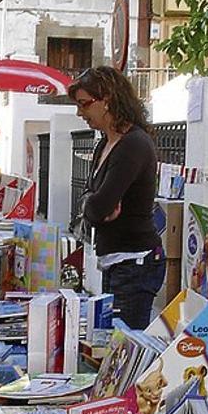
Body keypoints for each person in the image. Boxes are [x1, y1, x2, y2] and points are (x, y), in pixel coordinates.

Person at [69, 66, 164, 330]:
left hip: (135, 262)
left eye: (84, 104)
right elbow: (91, 200)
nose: (80, 113)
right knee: (112, 343)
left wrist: (95, 204)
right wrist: (94, 203)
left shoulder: (133, 144)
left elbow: (98, 208)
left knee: (124, 347)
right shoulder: (104, 143)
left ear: (107, 99)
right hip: (116, 260)